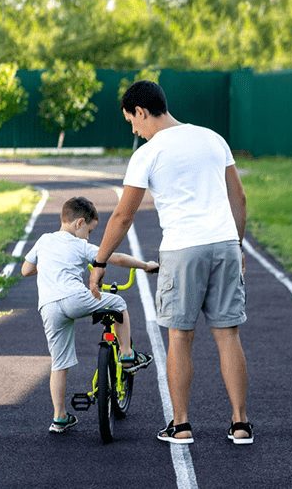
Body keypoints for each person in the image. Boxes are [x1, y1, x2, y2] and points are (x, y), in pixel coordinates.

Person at [89, 81, 253, 445]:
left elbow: (122, 217)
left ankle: (181, 426)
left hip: (183, 249)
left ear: (142, 111)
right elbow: (238, 197)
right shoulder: (212, 138)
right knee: (228, 336)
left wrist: (100, 261)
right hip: (224, 244)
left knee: (180, 337)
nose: (133, 129)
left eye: (131, 120)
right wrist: (237, 245)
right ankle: (240, 424)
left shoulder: (148, 154)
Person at [22, 196, 157, 434]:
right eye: (90, 231)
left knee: (59, 362)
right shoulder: (80, 245)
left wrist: (48, 266)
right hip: (75, 299)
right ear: (79, 223)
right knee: (118, 303)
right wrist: (144, 265)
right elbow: (113, 257)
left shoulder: (44, 240)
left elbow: (26, 270)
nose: (89, 236)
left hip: (49, 306)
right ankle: (126, 354)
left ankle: (60, 417)